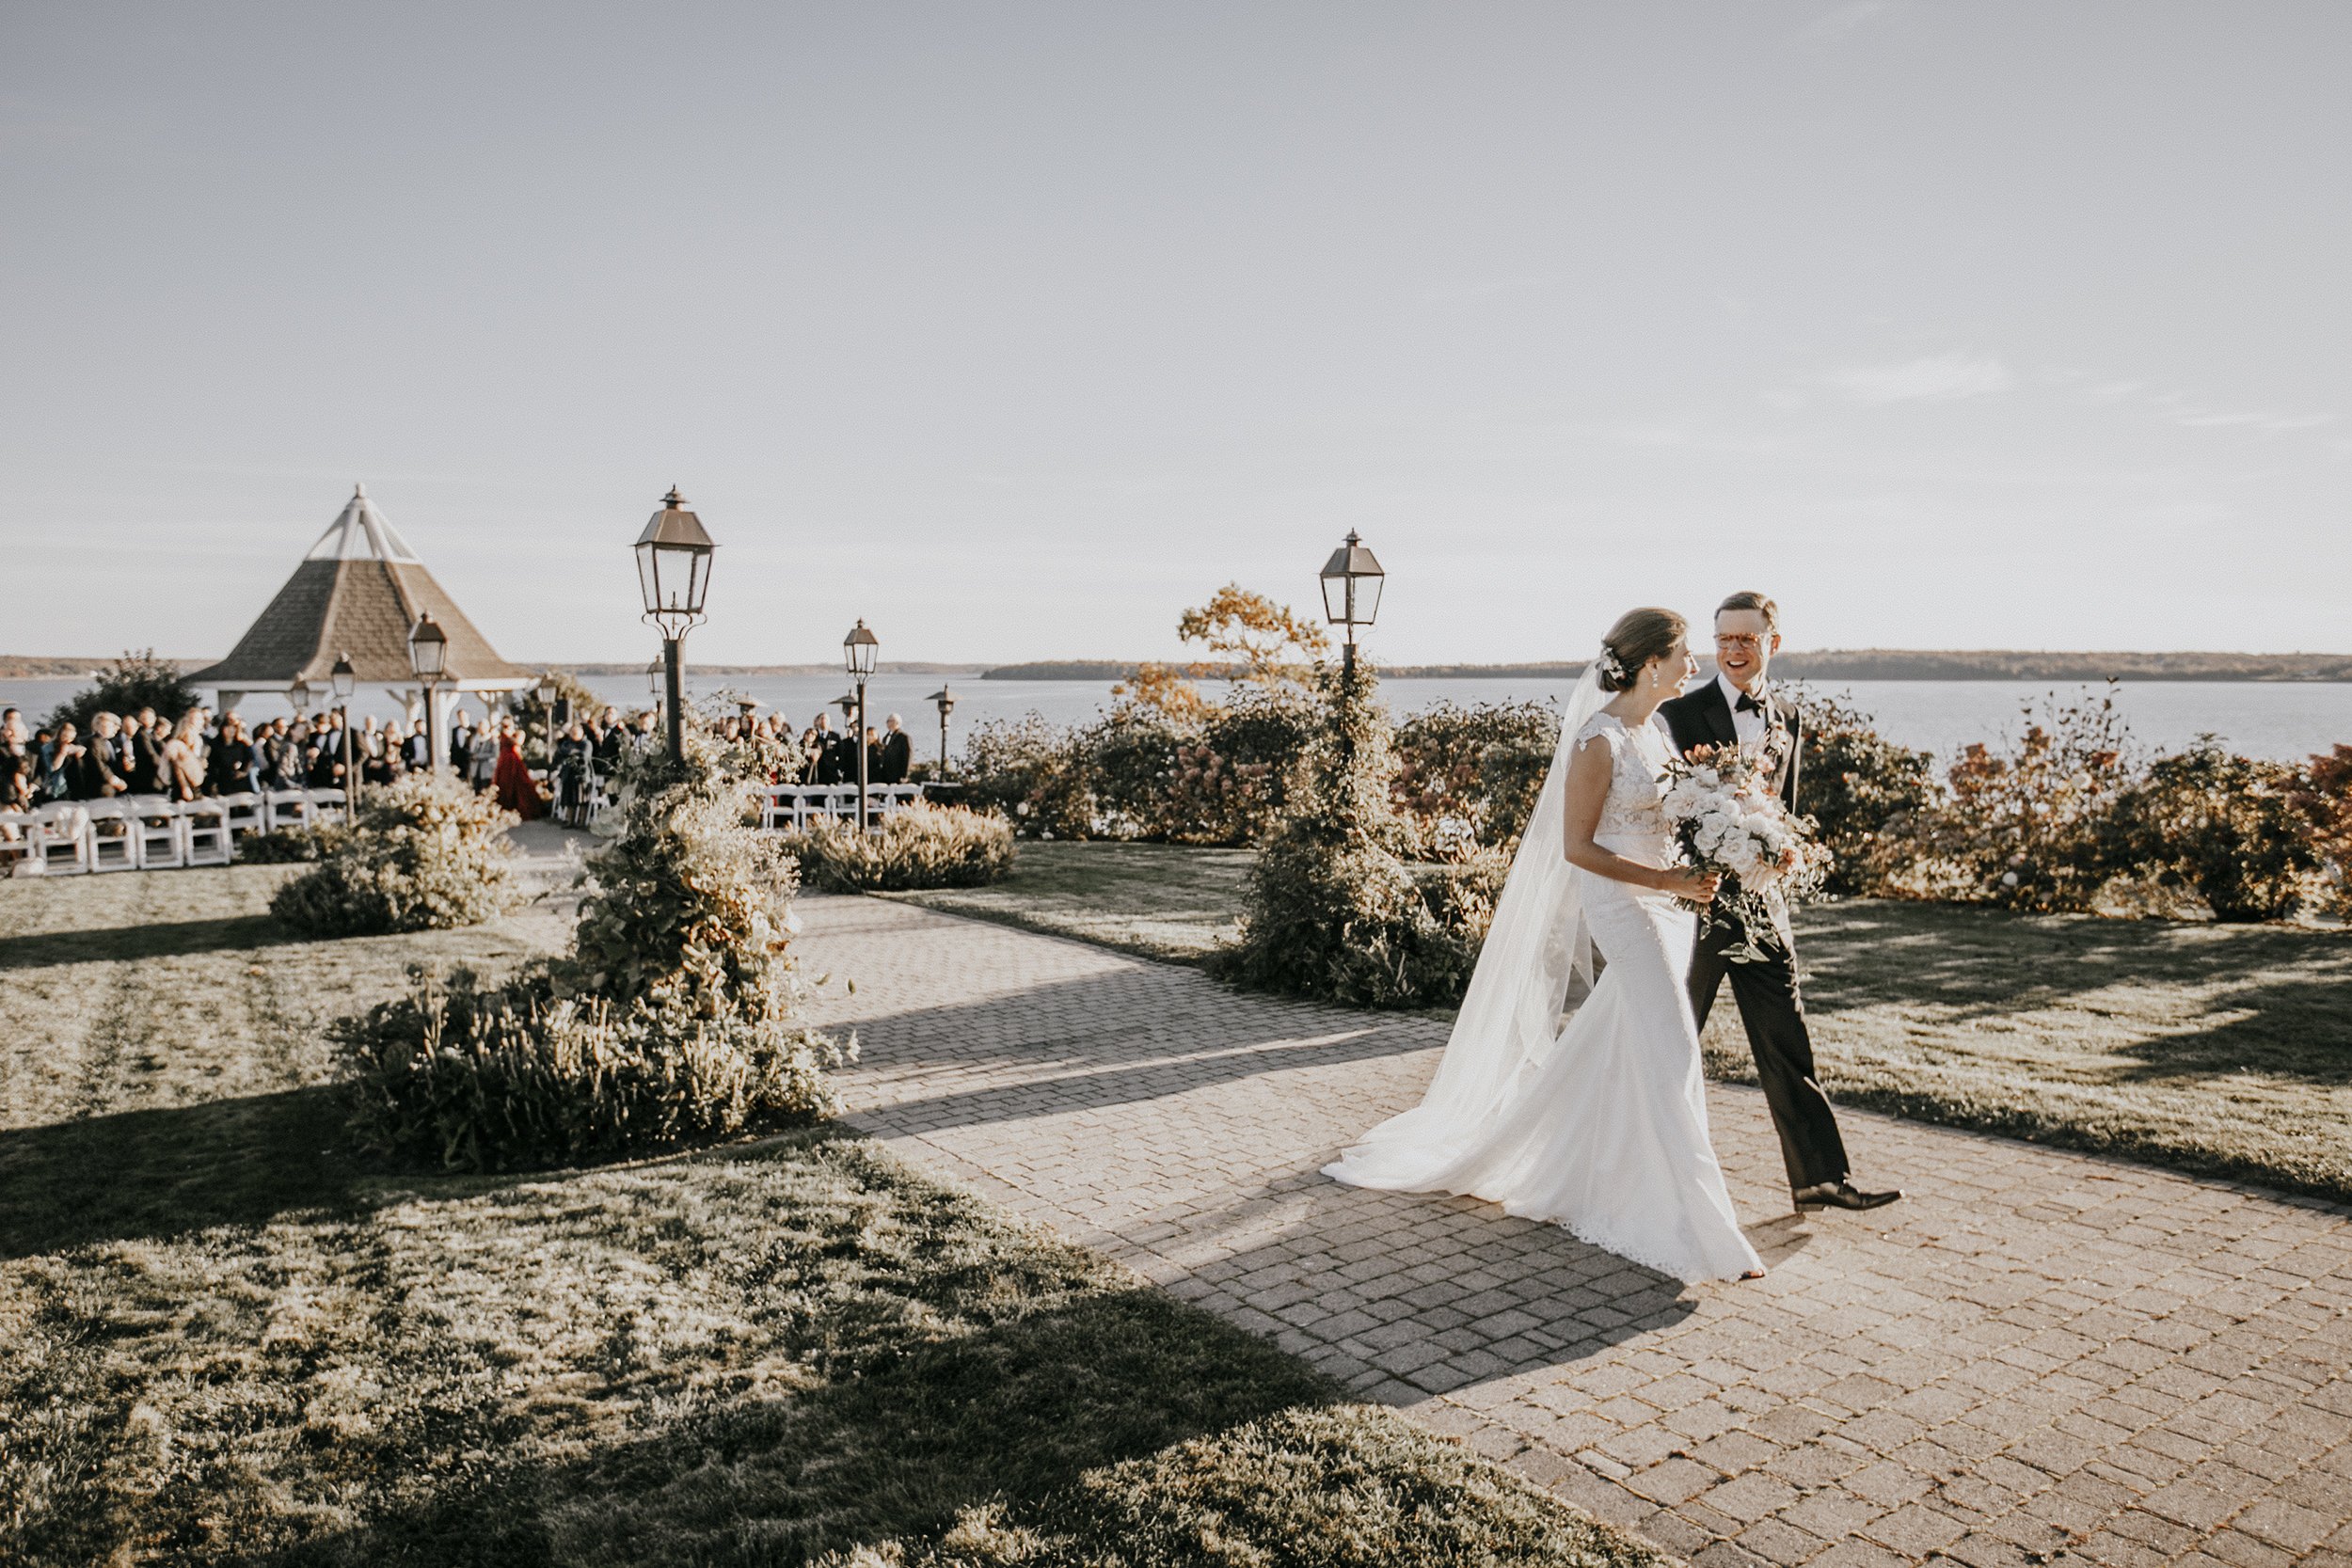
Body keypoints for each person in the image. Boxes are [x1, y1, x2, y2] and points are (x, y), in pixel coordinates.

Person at [1324, 608, 1765, 1284]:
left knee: (1625, 1039)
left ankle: (1593, 1168)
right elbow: (1578, 847)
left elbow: (1675, 816)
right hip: (1625, 905)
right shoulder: (1599, 741)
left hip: (1672, 907)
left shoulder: (1657, 734)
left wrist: (1737, 838)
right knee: (1675, 1048)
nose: (1695, 665)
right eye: (1684, 656)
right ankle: (1700, 1224)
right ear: (1652, 663)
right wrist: (1665, 877)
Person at [1656, 591, 1899, 1215]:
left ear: (1773, 642)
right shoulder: (1679, 713)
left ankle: (1821, 1177)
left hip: (1764, 909)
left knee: (1787, 1040)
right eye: (1724, 639)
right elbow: (1663, 812)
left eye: (1747, 638)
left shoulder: (1788, 715)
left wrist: (1782, 856)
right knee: (1666, 1041)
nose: (1734, 650)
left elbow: (1782, 811)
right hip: (1698, 911)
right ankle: (1627, 1172)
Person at [492, 719, 544, 819]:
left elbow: (518, 743)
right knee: (505, 783)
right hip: (506, 760)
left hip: (513, 760)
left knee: (520, 782)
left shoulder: (515, 733)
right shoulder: (503, 733)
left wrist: (512, 735)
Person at [160, 712, 207, 800]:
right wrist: (184, 787)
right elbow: (177, 768)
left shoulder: (187, 748)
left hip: (194, 790)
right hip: (183, 792)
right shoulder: (178, 748)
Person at [878, 714, 913, 784]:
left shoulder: (904, 737)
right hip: (885, 775)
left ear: (898, 723)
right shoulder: (885, 737)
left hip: (897, 775)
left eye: (891, 721)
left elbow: (908, 756)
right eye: (888, 721)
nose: (889, 723)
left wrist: (904, 775)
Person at [450, 708, 478, 783]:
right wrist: (452, 761)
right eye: (460, 716)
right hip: (458, 760)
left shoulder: (474, 730)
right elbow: (454, 746)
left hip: (469, 761)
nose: (462, 718)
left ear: (468, 716)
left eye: (463, 716)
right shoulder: (455, 730)